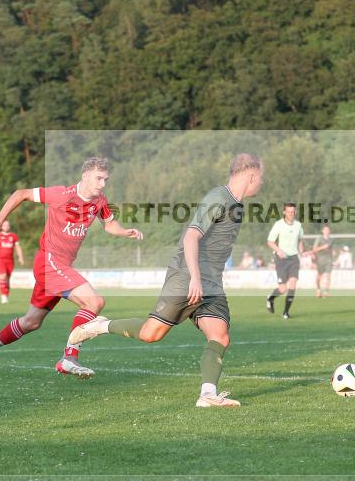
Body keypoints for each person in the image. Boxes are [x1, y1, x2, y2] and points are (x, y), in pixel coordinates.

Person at [66, 154, 264, 407]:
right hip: (187, 276)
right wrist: (194, 277)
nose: (262, 182)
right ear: (251, 176)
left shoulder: (236, 204)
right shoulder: (218, 198)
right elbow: (191, 237)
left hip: (211, 282)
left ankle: (207, 395)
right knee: (152, 333)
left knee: (220, 336)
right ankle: (101, 325)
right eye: (261, 177)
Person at [0, 157, 143, 379]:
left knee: (31, 322)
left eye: (106, 180)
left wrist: (124, 231)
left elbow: (109, 224)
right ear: (85, 176)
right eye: (99, 178)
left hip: (59, 266)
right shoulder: (62, 194)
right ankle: (69, 357)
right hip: (49, 263)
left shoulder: (100, 200)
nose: (102, 184)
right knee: (94, 301)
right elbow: (20, 194)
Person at [265, 203, 305, 319]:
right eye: (288, 212)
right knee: (283, 288)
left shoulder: (298, 225)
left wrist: (302, 250)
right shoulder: (278, 225)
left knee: (293, 284)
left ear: (295, 212)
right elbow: (270, 241)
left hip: (293, 258)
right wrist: (278, 251)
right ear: (284, 212)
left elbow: (300, 240)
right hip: (281, 259)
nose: (291, 214)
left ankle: (286, 312)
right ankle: (270, 298)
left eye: (293, 212)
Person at [0, 220, 25, 304]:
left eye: (8, 225)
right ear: (1, 226)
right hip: (0, 260)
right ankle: (3, 296)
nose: (6, 226)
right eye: (4, 225)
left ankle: (6, 295)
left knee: (8, 279)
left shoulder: (13, 236)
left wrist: (21, 257)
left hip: (10, 260)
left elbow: (18, 247)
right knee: (3, 276)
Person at [312, 225, 333, 297]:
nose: (327, 231)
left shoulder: (331, 239)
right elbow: (314, 249)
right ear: (323, 231)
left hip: (329, 259)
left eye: (328, 230)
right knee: (319, 276)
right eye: (325, 230)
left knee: (328, 275)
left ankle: (327, 292)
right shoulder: (319, 239)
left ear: (329, 231)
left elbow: (330, 250)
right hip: (320, 259)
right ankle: (318, 290)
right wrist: (323, 247)